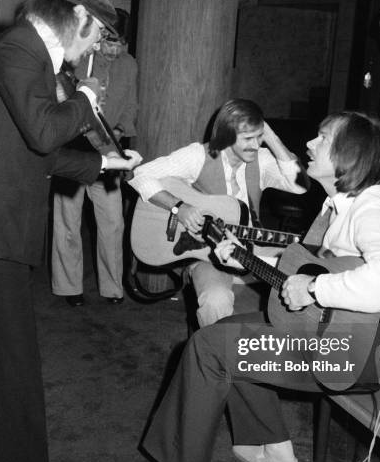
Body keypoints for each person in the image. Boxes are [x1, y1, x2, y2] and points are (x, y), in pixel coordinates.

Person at [117, 111, 380, 462]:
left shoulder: (372, 211)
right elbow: (300, 270)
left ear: (348, 155)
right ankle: (275, 450)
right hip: (338, 340)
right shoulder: (341, 206)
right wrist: (242, 259)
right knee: (230, 330)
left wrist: (315, 287)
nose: (310, 144)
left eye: (323, 139)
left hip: (350, 356)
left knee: (208, 348)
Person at [0, 0, 142, 462]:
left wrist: (106, 169)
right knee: (10, 380)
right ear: (77, 16)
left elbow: (31, 157)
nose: (94, 45)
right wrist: (86, 101)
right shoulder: (18, 47)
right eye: (96, 32)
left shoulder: (26, 54)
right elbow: (45, 129)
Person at [129, 98, 307, 327]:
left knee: (301, 274)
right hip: (206, 255)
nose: (255, 145)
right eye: (247, 138)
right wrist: (178, 207)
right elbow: (140, 175)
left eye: (258, 137)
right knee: (215, 300)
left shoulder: (261, 159)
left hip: (254, 248)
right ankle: (215, 353)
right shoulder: (198, 155)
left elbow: (300, 186)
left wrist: (271, 137)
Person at [51, 8, 138, 307]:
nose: (115, 49)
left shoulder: (129, 65)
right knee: (68, 222)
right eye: (110, 41)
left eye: (121, 43)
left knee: (113, 223)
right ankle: (68, 286)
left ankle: (113, 287)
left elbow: (131, 106)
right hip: (74, 149)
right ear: (99, 38)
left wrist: (119, 127)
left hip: (109, 151)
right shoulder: (78, 61)